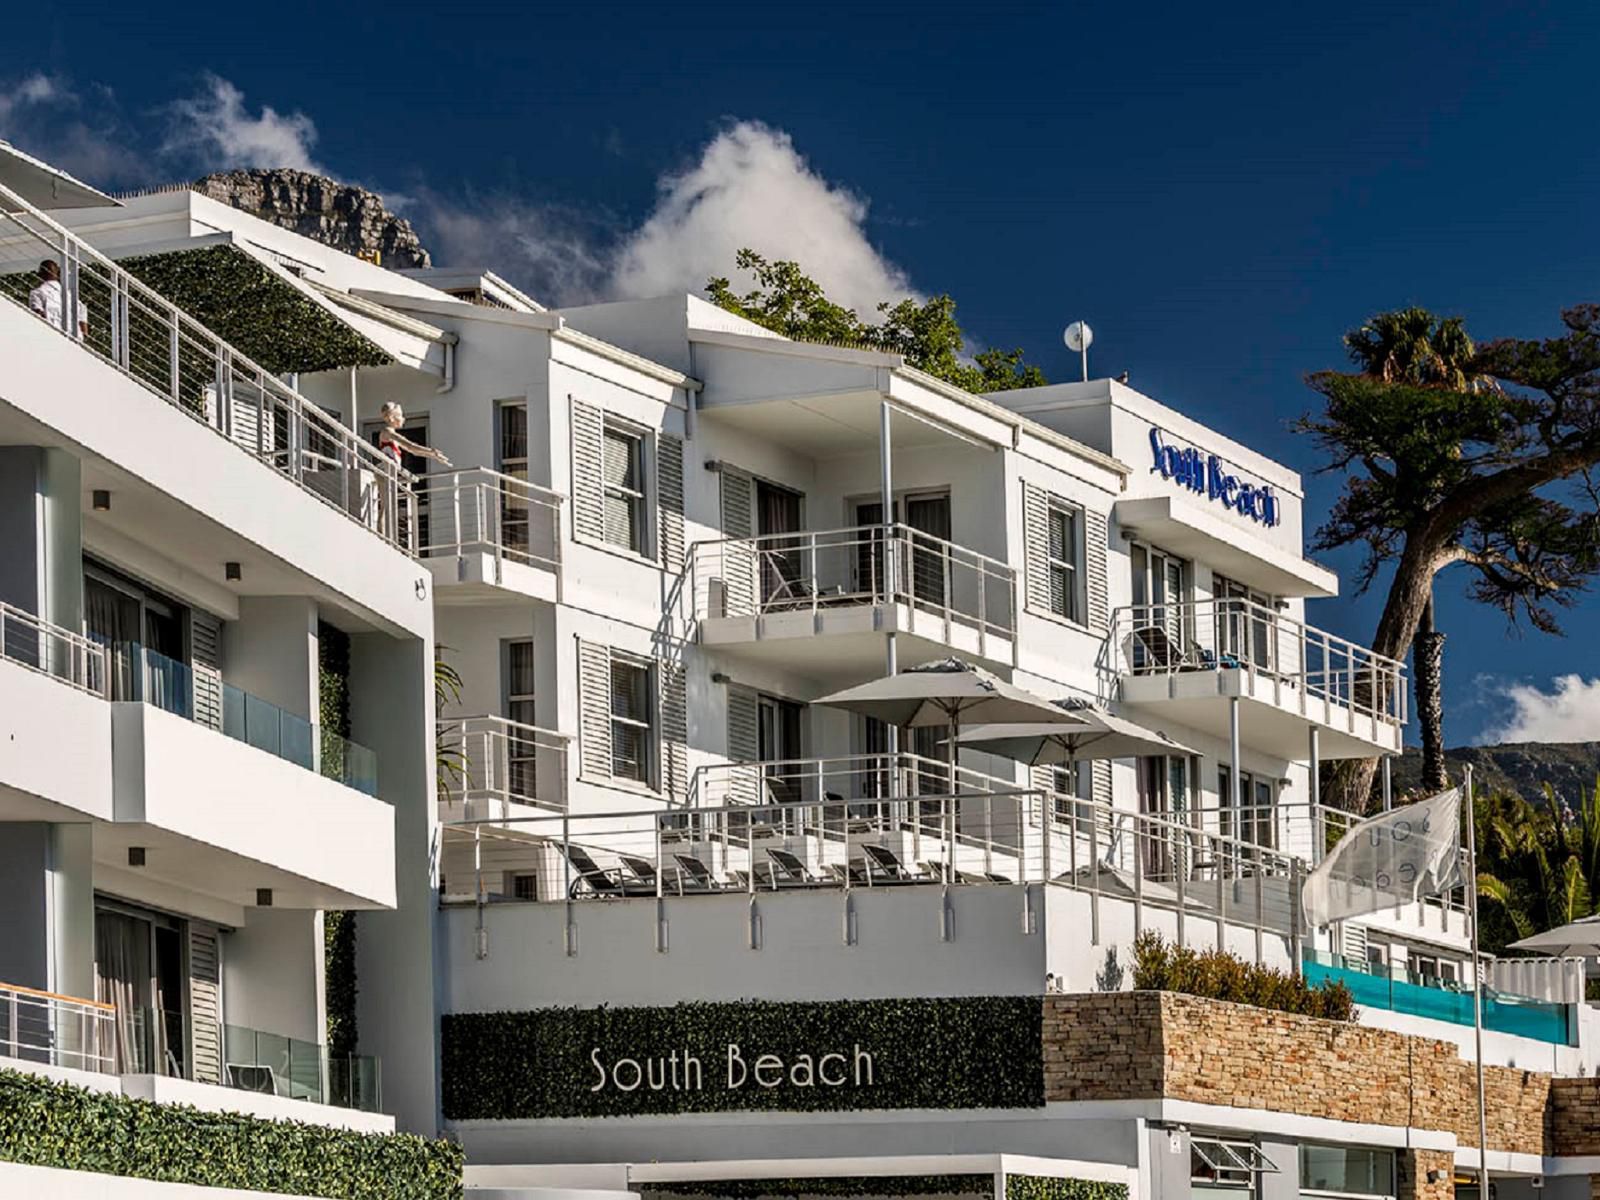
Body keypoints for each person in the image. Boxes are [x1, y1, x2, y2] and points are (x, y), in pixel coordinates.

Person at [376, 401, 452, 469]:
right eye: (400, 415)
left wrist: (434, 456)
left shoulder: (392, 435)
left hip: (391, 471)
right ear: (391, 418)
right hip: (385, 471)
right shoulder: (387, 432)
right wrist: (431, 451)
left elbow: (414, 451)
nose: (403, 419)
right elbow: (410, 446)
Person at [28, 259, 89, 340]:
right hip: (75, 337)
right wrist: (84, 332)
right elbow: (82, 311)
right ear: (57, 273)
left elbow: (38, 313)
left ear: (40, 274)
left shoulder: (37, 293)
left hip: (53, 335)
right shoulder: (69, 295)